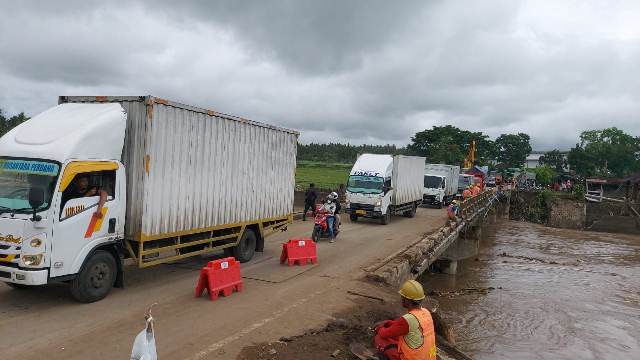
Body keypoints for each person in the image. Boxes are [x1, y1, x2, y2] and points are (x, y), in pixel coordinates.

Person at [374, 280, 436, 360]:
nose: (401, 299)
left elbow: (383, 334)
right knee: (399, 337)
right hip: (429, 357)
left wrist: (379, 328)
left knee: (379, 338)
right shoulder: (426, 312)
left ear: (406, 299)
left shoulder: (408, 319)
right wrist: (389, 322)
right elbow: (411, 327)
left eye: (402, 297)